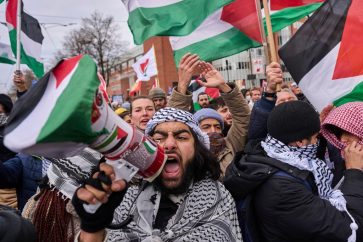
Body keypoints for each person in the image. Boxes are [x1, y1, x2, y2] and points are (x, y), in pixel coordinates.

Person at [72, 107, 242, 242]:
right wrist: (92, 228)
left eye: (181, 137)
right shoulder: (125, 199)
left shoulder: (218, 200)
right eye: (158, 139)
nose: (169, 144)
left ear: (197, 149)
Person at [225, 101, 363, 242]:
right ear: (300, 142)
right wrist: (354, 172)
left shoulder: (270, 153)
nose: (318, 142)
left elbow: (309, 153)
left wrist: (316, 128)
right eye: (316, 137)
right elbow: (349, 228)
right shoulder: (282, 189)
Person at [169, 54, 250, 178]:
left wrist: (223, 86)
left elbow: (242, 117)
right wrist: (182, 86)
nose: (213, 131)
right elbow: (172, 124)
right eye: (206, 126)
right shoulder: (188, 151)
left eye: (217, 127)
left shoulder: (231, 145)